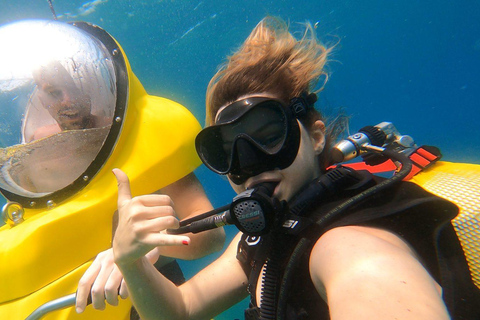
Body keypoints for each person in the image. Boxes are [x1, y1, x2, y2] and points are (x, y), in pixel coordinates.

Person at [108, 16, 480, 320]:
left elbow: (369, 274)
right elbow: (180, 310)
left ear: (316, 137)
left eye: (269, 135)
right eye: (228, 151)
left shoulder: (349, 246)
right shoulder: (259, 237)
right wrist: (132, 261)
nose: (250, 163)